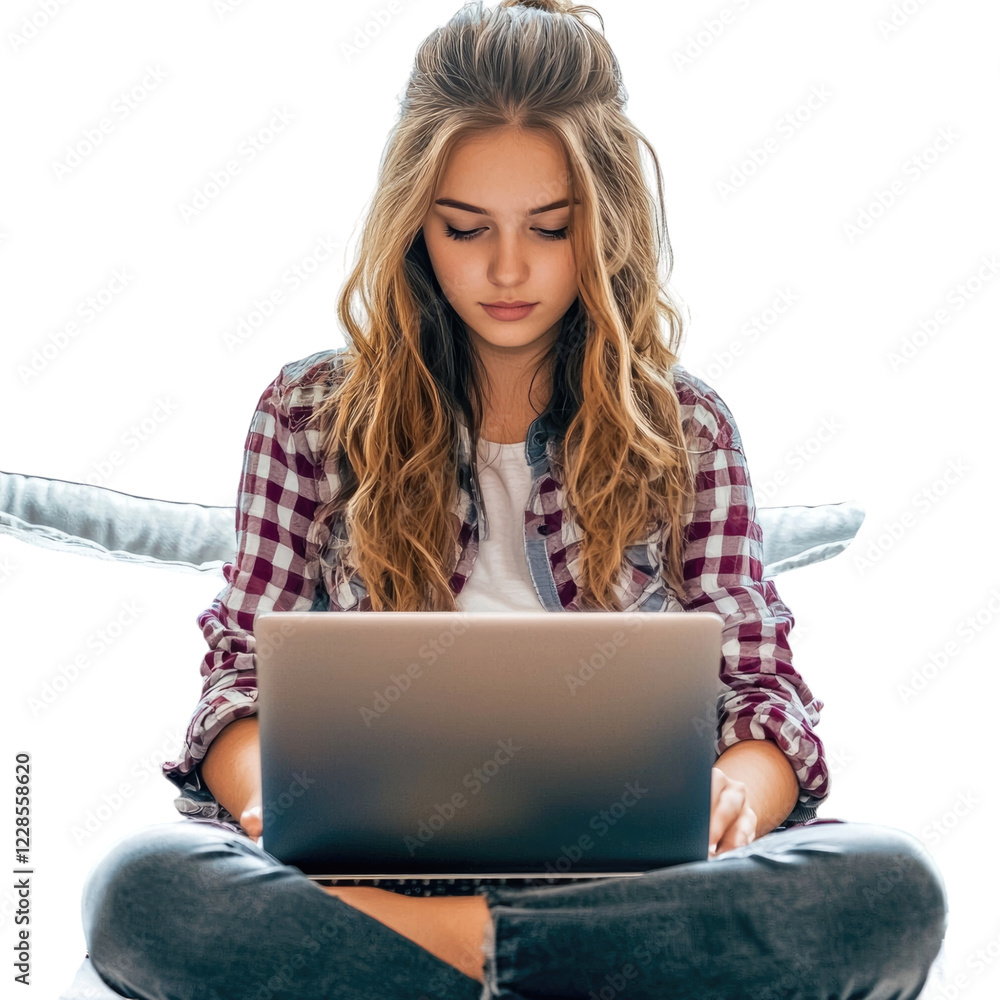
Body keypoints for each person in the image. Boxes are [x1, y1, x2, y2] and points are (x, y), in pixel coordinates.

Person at [80, 2, 947, 998]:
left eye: (550, 228)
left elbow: (760, 688)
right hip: (370, 878)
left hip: (619, 885)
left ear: (605, 222)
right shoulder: (307, 415)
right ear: (414, 220)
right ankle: (542, 968)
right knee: (145, 887)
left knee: (886, 886)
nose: (506, 269)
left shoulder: (687, 427)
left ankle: (456, 956)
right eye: (465, 228)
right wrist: (263, 808)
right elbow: (239, 677)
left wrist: (736, 797)